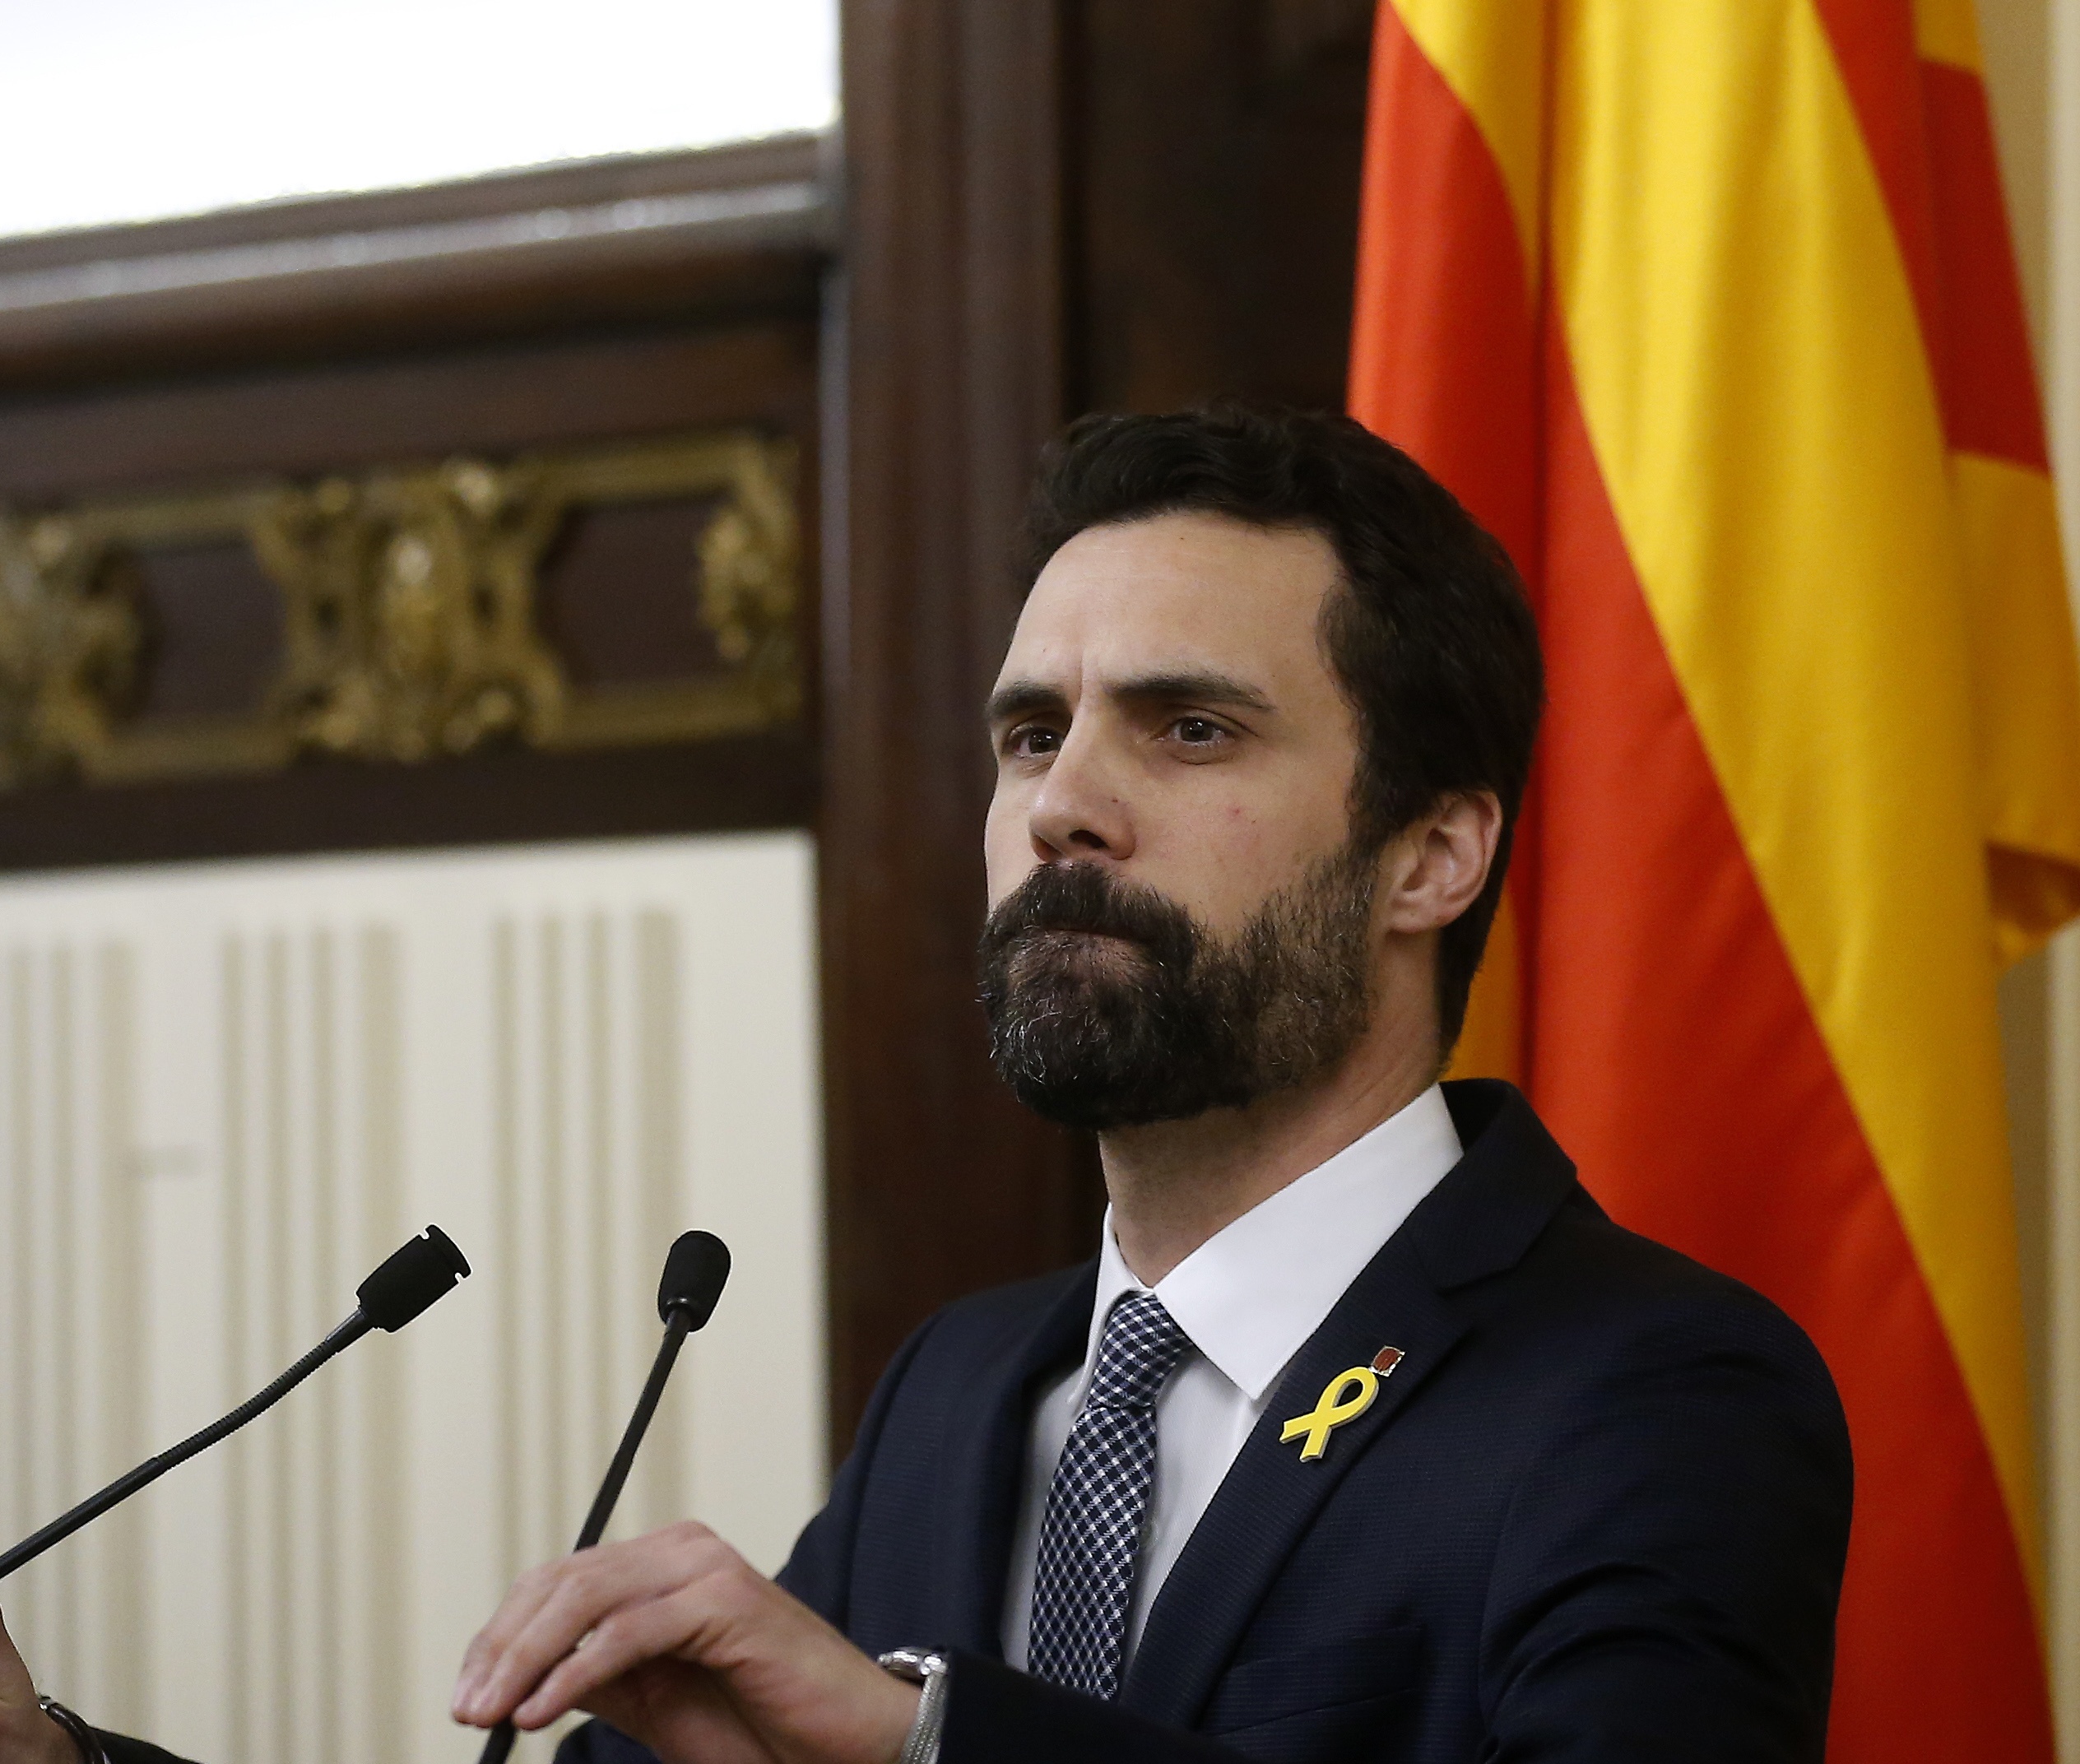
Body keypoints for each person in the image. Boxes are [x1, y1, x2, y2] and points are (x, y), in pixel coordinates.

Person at [0, 406, 1850, 1764]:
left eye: (1187, 726)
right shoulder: (971, 1385)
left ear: (1431, 855)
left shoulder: (1654, 1394)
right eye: (1031, 734)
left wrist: (922, 1751)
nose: (1062, 801)